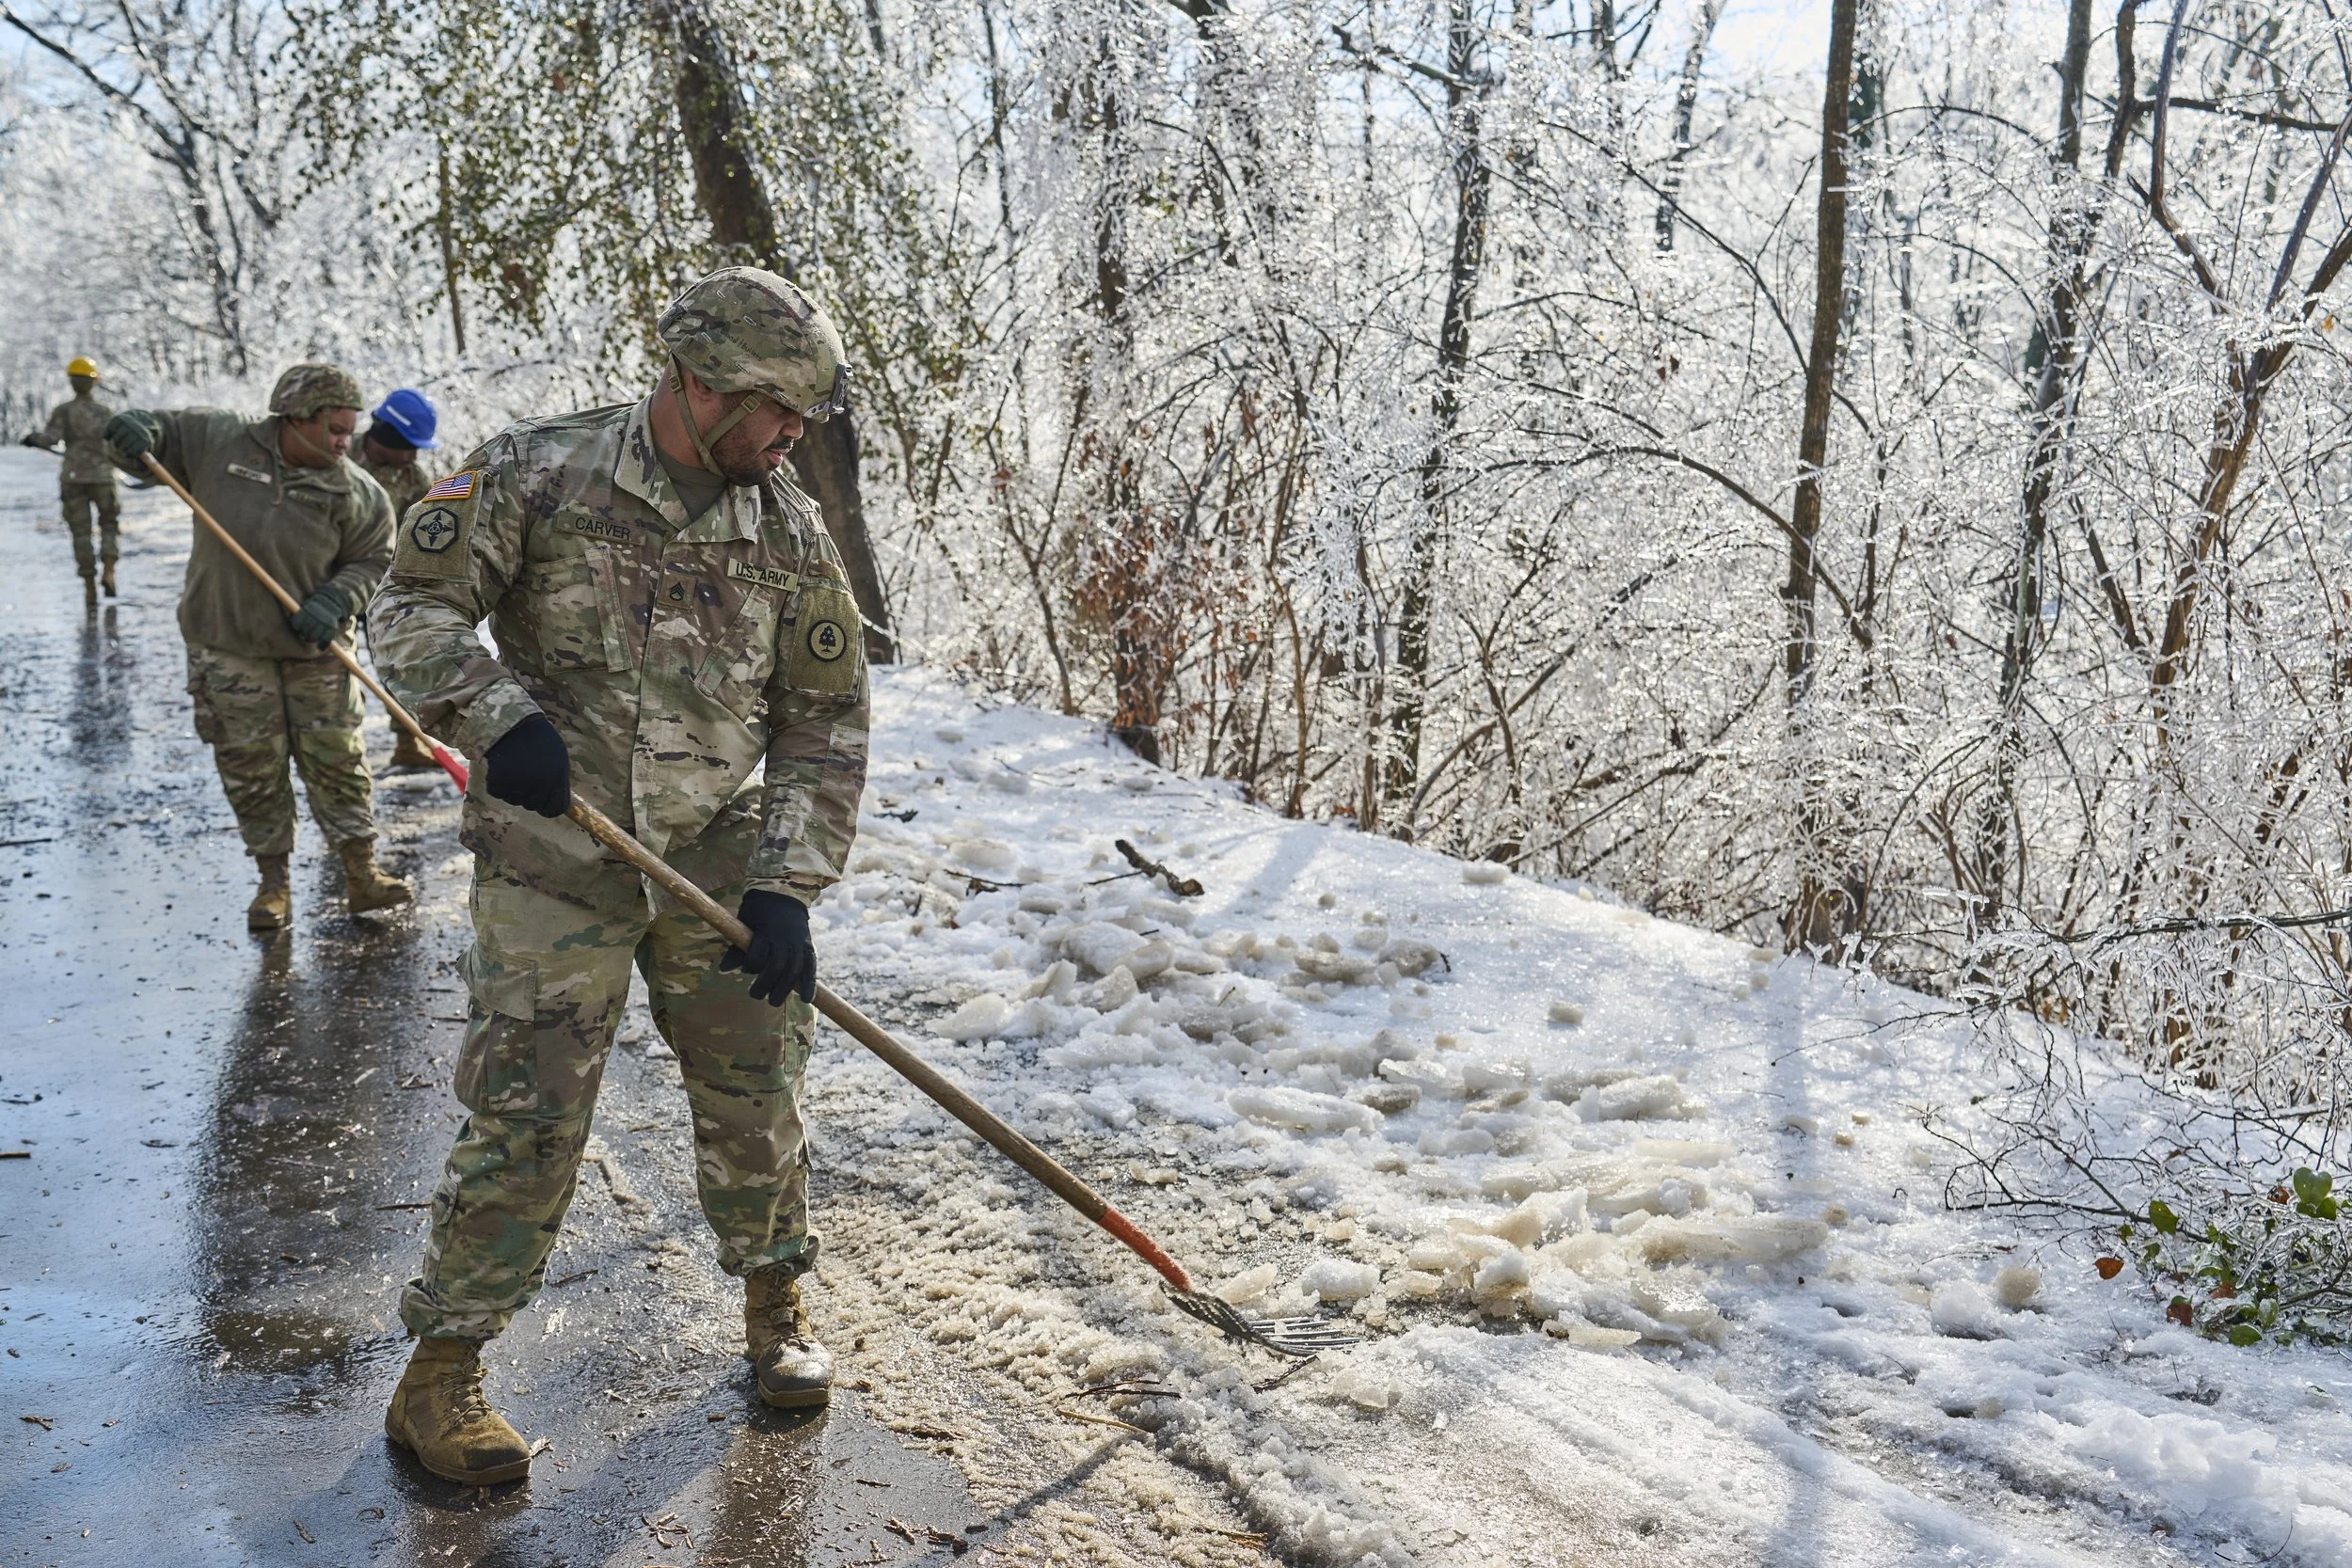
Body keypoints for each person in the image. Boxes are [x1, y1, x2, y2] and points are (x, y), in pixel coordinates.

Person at [369, 267, 867, 1486]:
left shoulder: (788, 530)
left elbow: (823, 719)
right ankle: (438, 1375)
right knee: (528, 1108)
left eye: (805, 415)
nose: (792, 434)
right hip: (557, 854)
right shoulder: (539, 471)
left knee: (759, 1091)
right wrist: (495, 712)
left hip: (713, 856)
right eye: (773, 410)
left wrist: (788, 881)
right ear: (698, 385)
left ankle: (776, 1311)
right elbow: (411, 607)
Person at [104, 363, 416, 929]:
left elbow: (375, 560)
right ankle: (273, 885)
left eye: (352, 430)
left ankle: (361, 874)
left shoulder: (358, 491)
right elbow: (148, 444)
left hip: (317, 651)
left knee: (338, 763)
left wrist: (337, 599)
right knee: (251, 766)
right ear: (296, 417)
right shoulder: (219, 439)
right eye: (336, 429)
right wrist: (133, 432)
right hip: (227, 646)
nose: (348, 442)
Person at [356, 388, 443, 770]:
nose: (415, 454)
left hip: (385, 587)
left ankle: (408, 742)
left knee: (399, 664)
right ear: (387, 436)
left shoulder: (414, 478)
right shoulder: (339, 462)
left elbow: (427, 535)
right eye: (410, 445)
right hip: (332, 584)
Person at [20, 356, 120, 607]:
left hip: (73, 477)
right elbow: (117, 443)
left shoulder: (64, 411)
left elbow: (51, 438)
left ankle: (89, 584)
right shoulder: (105, 412)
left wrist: (33, 438)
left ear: (72, 382)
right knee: (109, 523)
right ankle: (109, 571)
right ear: (94, 382)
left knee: (80, 532)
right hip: (103, 477)